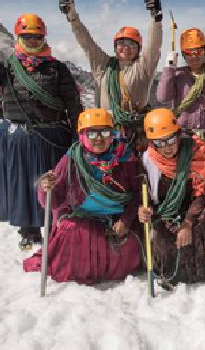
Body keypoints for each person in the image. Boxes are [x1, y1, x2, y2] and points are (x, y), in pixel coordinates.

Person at [0, 13, 83, 250]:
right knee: (24, 185)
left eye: (37, 37)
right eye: (27, 36)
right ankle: (28, 231)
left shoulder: (57, 70)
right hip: (18, 138)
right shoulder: (7, 69)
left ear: (43, 38)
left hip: (52, 138)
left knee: (52, 184)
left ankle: (58, 227)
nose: (32, 41)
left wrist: (79, 135)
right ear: (19, 36)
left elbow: (73, 105)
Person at [23, 108, 143, 284]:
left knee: (130, 244)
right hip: (82, 217)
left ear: (113, 134)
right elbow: (54, 202)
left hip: (117, 218)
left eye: (105, 132)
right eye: (92, 133)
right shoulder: (71, 160)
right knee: (74, 235)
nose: (99, 139)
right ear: (82, 135)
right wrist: (45, 188)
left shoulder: (126, 159)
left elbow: (139, 194)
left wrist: (126, 220)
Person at [59, 0, 163, 153]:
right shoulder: (103, 65)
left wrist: (156, 19)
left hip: (134, 135)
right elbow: (86, 42)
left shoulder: (143, 67)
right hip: (104, 134)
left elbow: (154, 45)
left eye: (131, 44)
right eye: (121, 43)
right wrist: (72, 16)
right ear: (115, 47)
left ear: (139, 49)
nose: (125, 48)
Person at [137, 108, 205, 287]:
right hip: (164, 214)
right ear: (152, 143)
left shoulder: (196, 154)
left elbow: (203, 193)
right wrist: (143, 210)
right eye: (159, 143)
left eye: (170, 140)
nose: (167, 147)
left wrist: (188, 223)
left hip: (192, 212)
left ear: (178, 136)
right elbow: (141, 194)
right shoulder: (147, 162)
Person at [155, 28, 205, 196]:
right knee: (190, 183)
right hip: (186, 139)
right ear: (183, 55)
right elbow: (163, 96)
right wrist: (169, 67)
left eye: (199, 51)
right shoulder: (178, 76)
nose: (195, 56)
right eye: (189, 53)